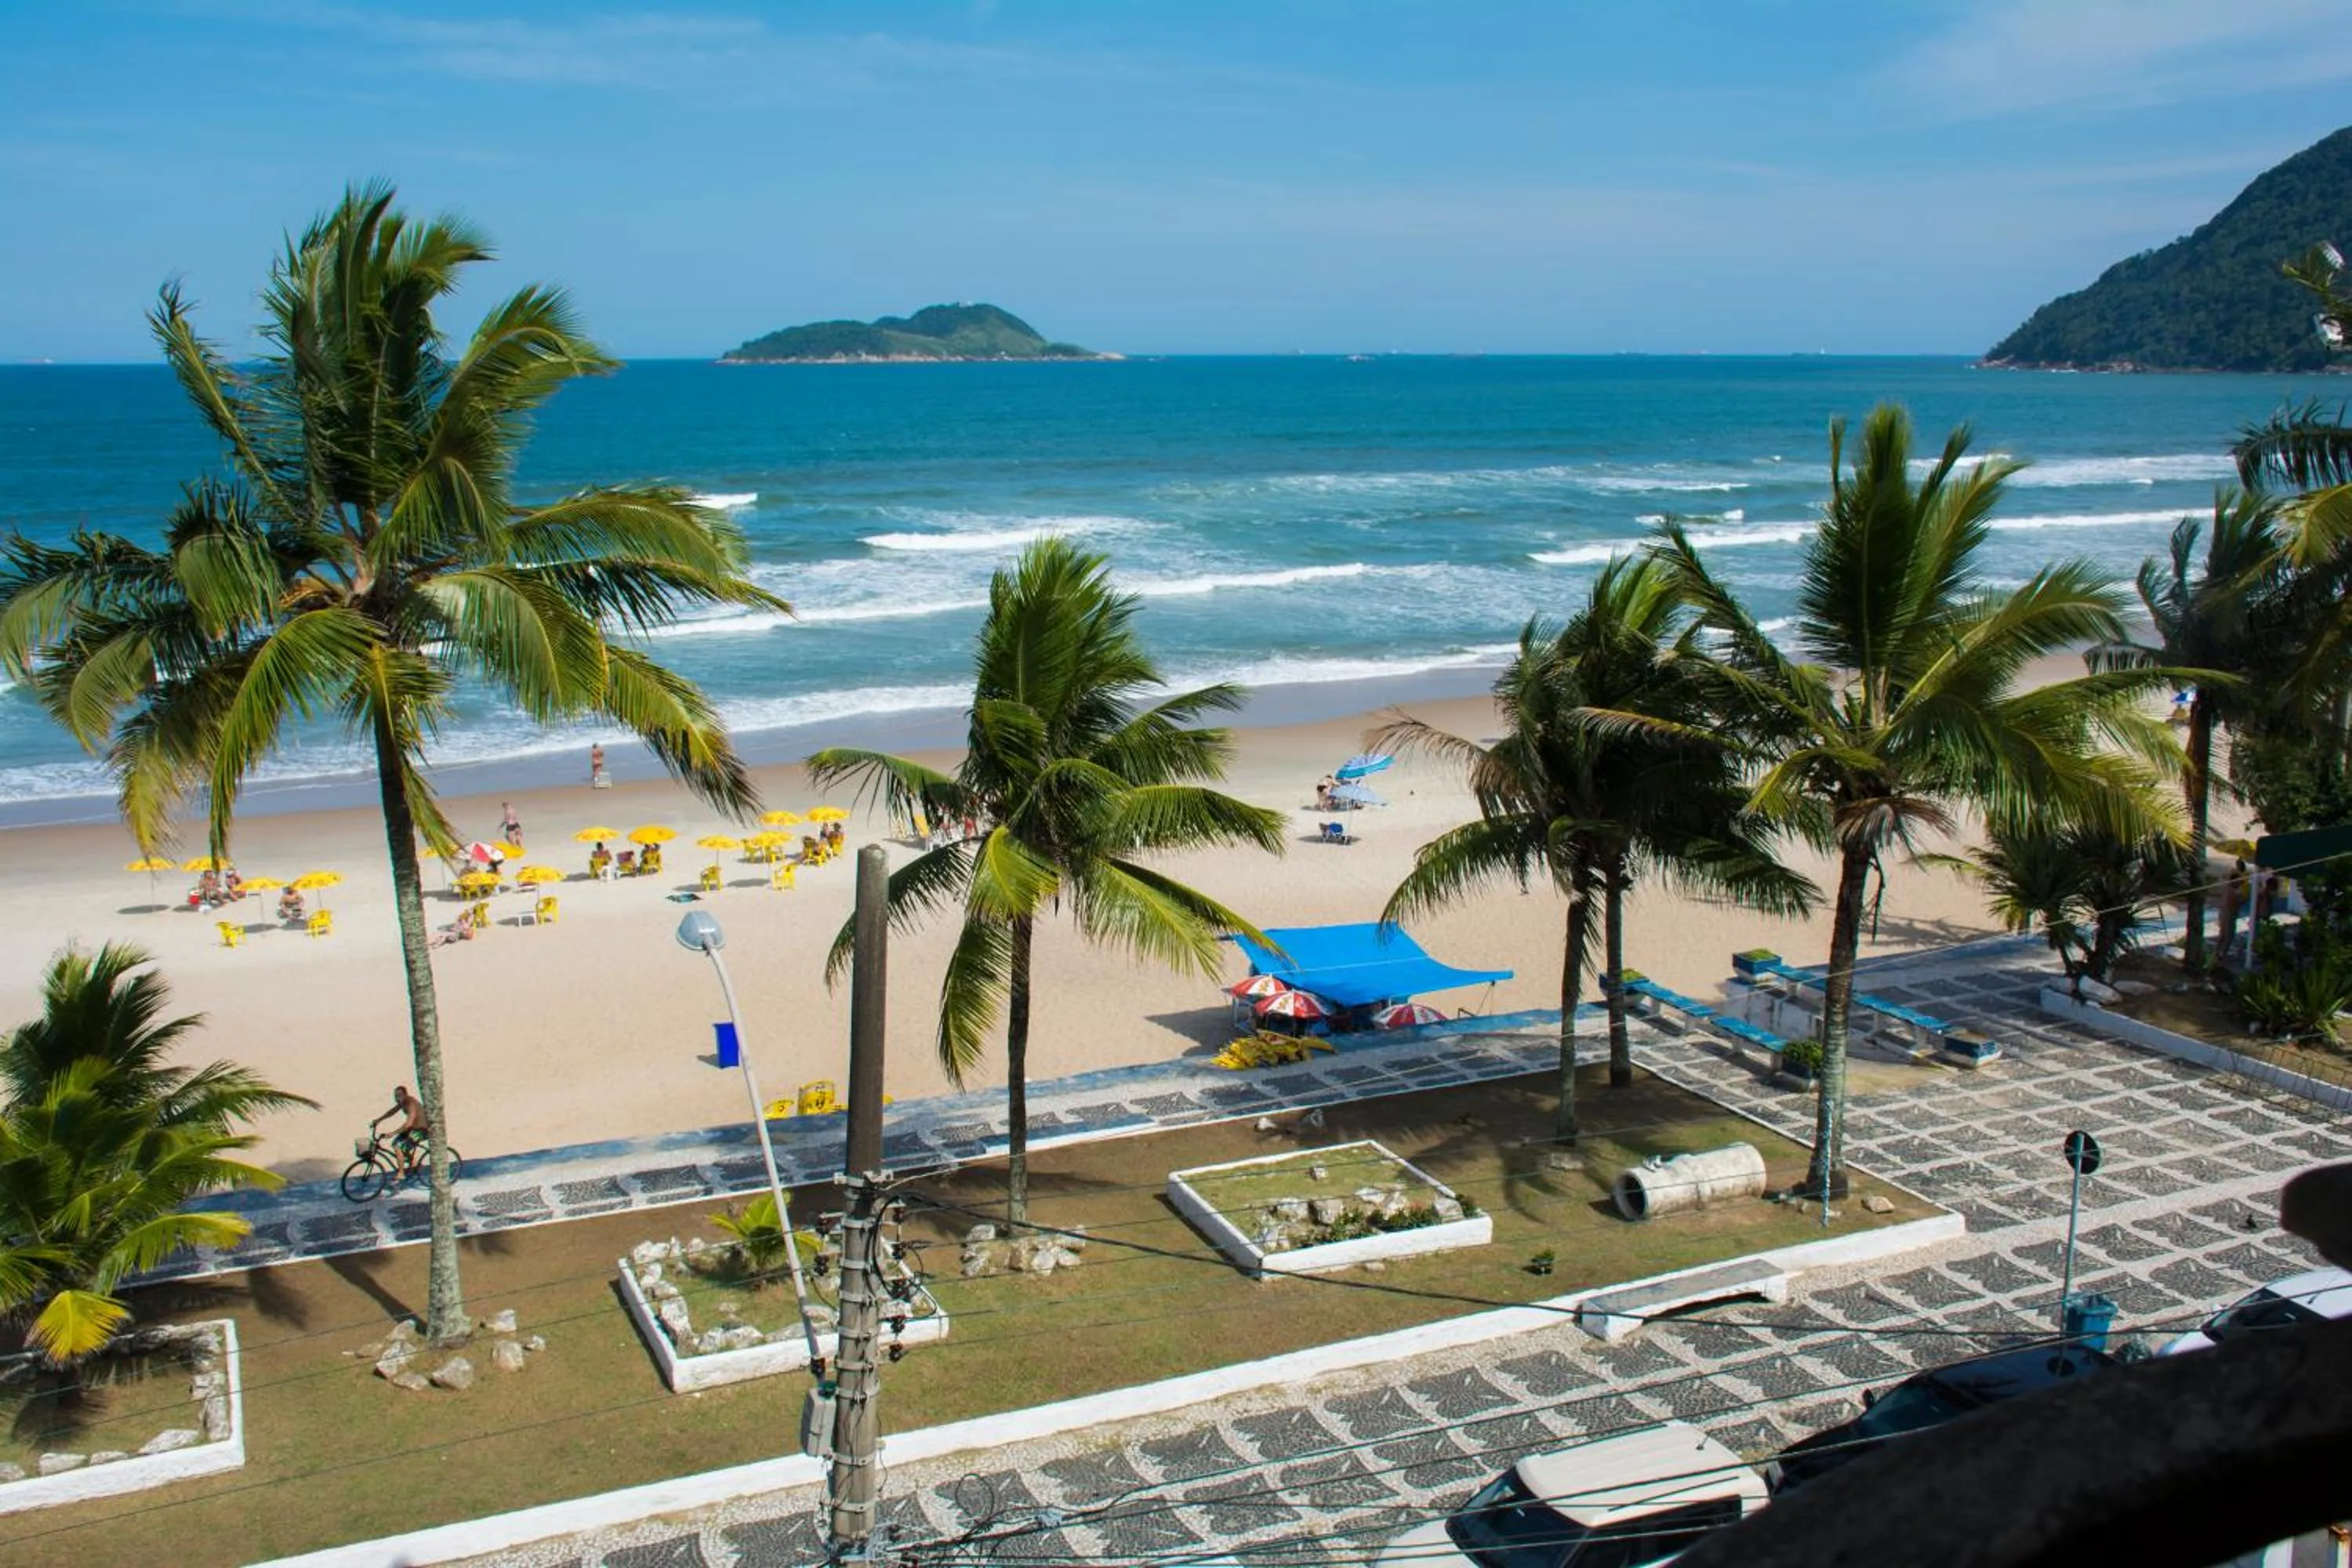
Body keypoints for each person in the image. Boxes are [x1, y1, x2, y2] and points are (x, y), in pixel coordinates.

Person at [372, 1085, 430, 1159]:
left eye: (400, 1096)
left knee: (402, 1148)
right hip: (412, 1129)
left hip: (421, 1130)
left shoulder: (411, 1104)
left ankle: (407, 1166)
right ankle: (412, 1162)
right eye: (396, 1096)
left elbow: (408, 1124)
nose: (397, 1098)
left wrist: (393, 1133)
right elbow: (392, 1112)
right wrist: (379, 1120)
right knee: (395, 1144)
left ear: (406, 1095)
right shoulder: (403, 1103)